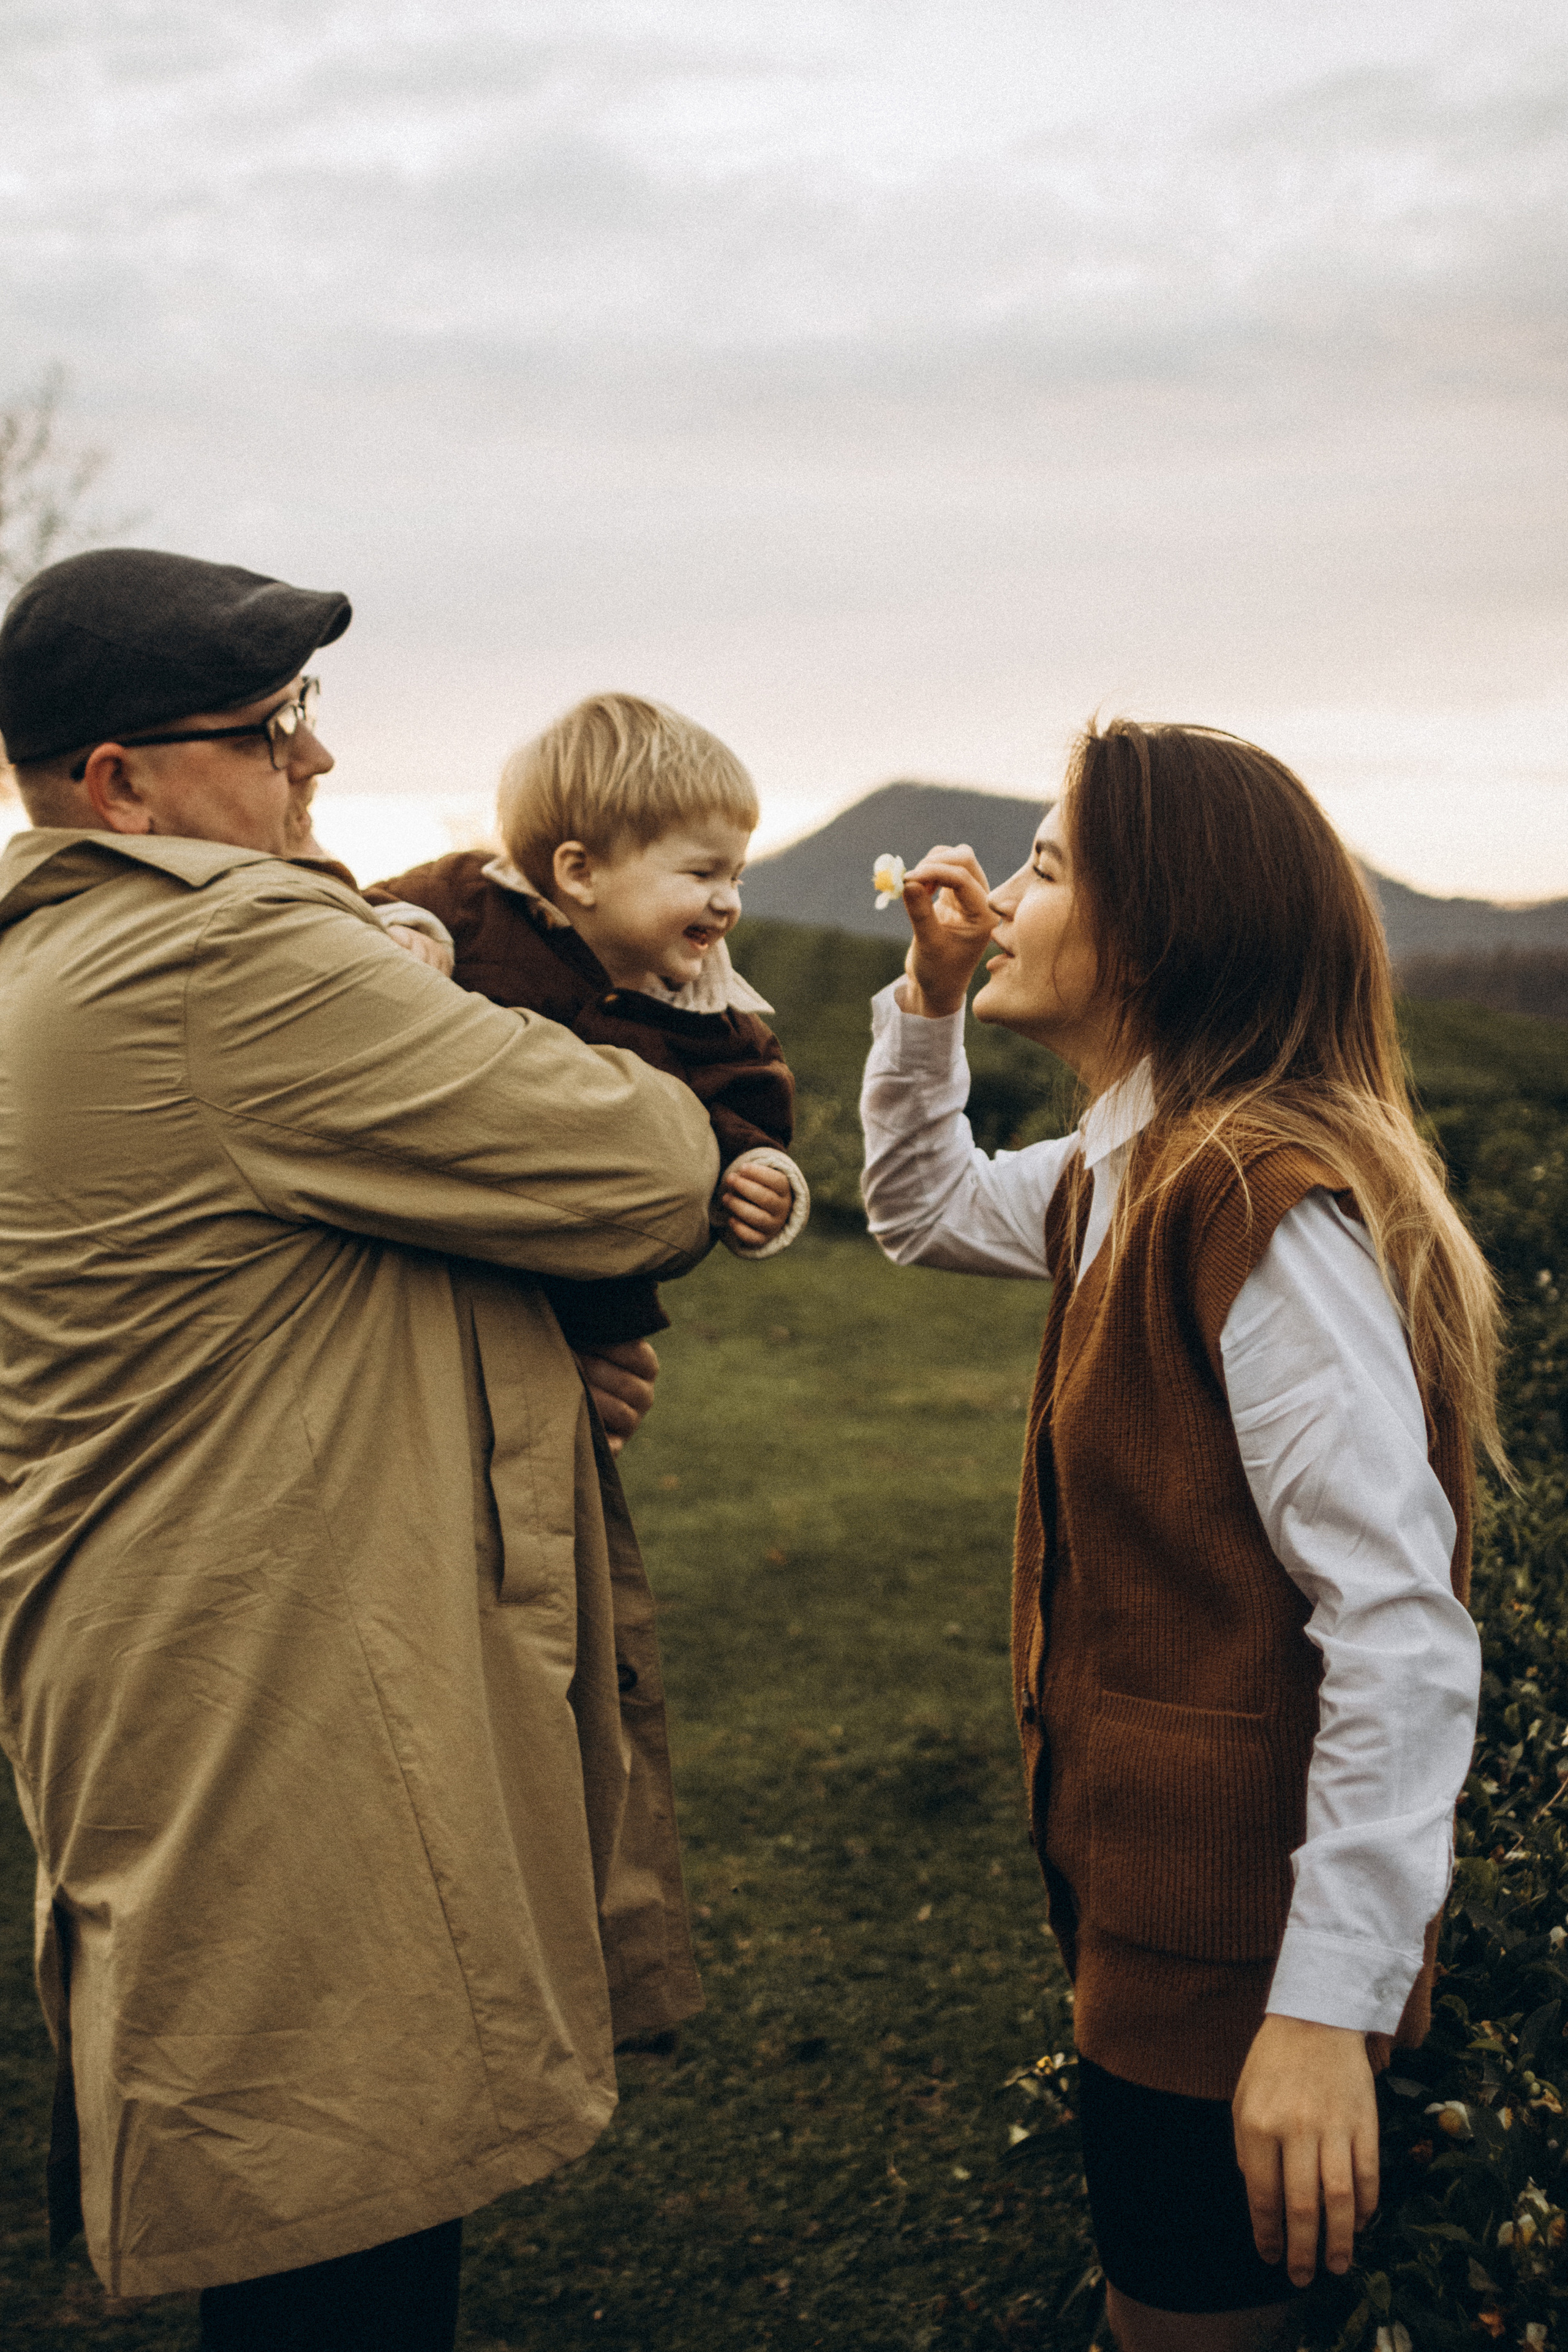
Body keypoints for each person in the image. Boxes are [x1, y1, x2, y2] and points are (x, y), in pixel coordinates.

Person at [0, 548, 723, 2347]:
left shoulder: (48, 956)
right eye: (269, 731)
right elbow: (649, 1166)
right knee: (340, 2225)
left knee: (301, 2221)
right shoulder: (229, 945)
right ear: (124, 785)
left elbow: (266, 1269)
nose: (314, 767)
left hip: (164, 1672)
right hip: (291, 1710)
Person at [859, 720, 1494, 2351]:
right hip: (1158, 1932)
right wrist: (928, 1006)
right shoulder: (1120, 1172)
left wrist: (1320, 2011)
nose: (1001, 898)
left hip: (1242, 1978)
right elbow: (922, 1207)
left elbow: (1402, 1631)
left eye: (1049, 867)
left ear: (1159, 937)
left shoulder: (1248, 1201)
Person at [368, 691, 810, 1354]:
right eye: (701, 872)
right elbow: (354, 909)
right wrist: (405, 929)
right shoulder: (469, 902)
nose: (726, 902)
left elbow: (753, 1117)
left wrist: (765, 1180)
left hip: (584, 1322)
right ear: (580, 872)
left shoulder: (716, 1024)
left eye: (737, 877)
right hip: (434, 1272)